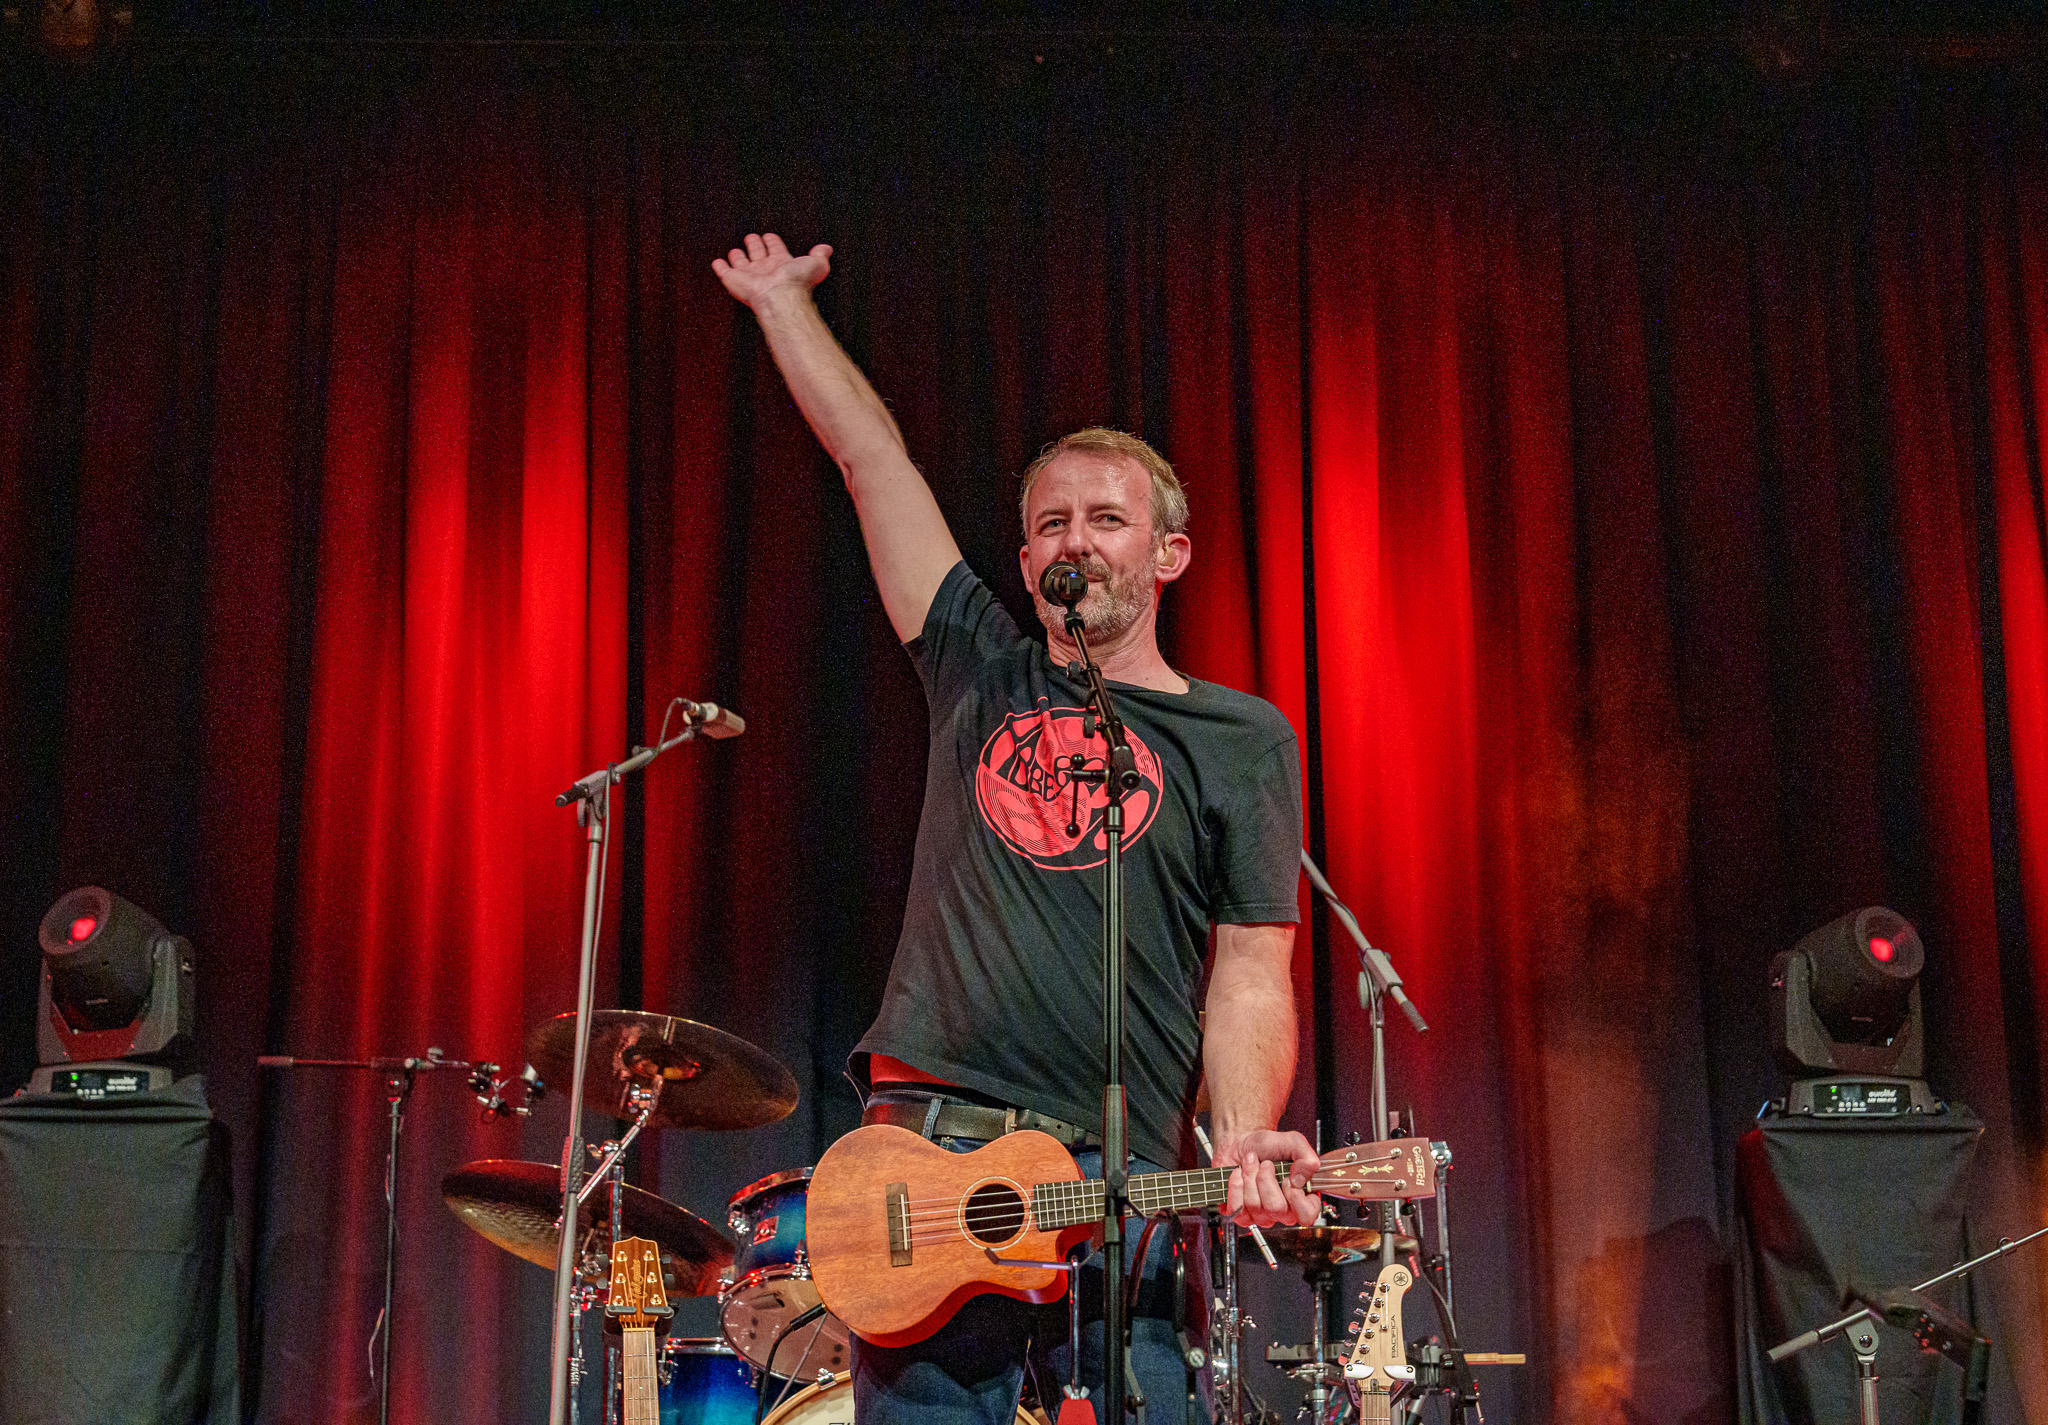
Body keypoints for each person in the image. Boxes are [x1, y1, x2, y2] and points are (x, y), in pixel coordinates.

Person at [714, 232, 1320, 1425]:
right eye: (1049, 524)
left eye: (1105, 519)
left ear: (1168, 553)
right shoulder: (978, 667)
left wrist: (1246, 1138)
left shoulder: (1239, 737)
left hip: (1120, 1191)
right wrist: (782, 307)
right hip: (930, 1167)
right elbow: (870, 459)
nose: (1072, 541)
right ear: (1027, 553)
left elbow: (1252, 969)